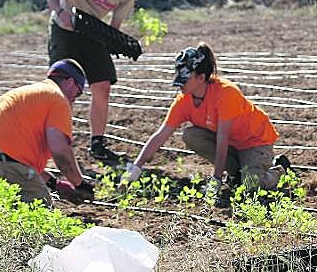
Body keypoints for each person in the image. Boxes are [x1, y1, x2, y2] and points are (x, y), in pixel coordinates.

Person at [124, 43, 289, 197]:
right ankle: (238, 172)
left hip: (254, 141)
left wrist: (216, 179)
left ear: (201, 78)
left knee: (251, 187)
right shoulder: (184, 100)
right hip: (232, 143)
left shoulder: (226, 94)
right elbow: (161, 135)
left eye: (185, 78)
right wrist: (136, 167)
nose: (180, 85)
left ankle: (280, 170)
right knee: (190, 135)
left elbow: (222, 139)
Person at [45, 0, 150, 165]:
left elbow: (113, 29)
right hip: (65, 29)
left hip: (93, 33)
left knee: (103, 85)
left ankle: (98, 144)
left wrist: (120, 43)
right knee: (64, 88)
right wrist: (60, 11)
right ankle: (58, 143)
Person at [0, 59, 94, 207]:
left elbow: (15, 153)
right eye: (78, 92)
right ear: (70, 82)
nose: (74, 99)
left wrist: (53, 183)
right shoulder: (58, 98)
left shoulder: (29, 92)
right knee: (39, 210)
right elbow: (60, 151)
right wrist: (79, 184)